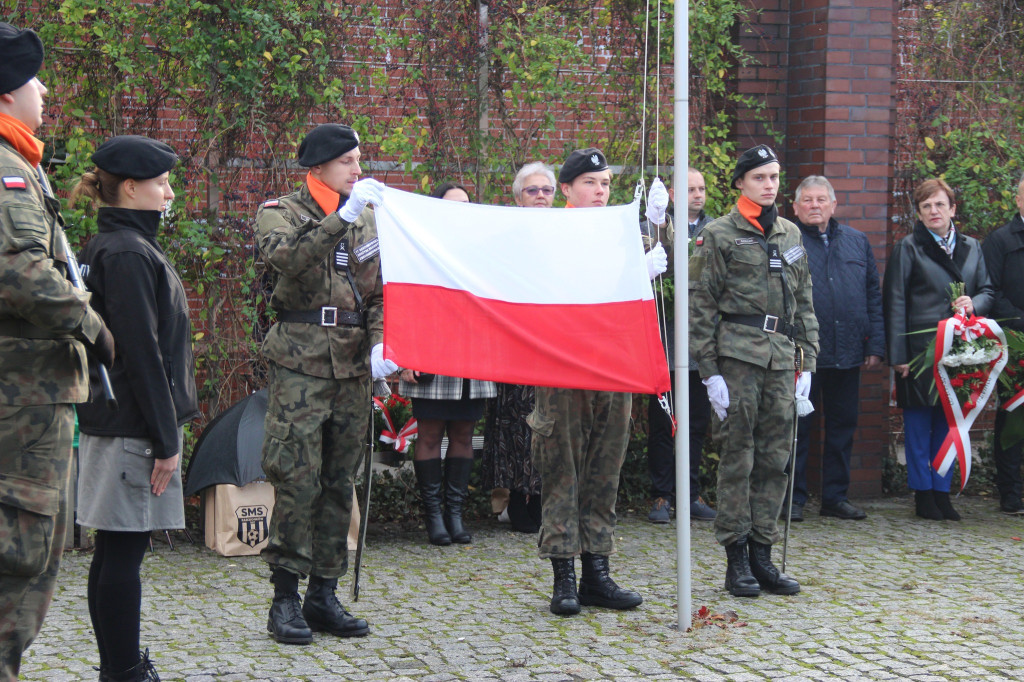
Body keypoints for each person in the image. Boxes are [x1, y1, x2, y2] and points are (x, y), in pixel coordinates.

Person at [0, 22, 114, 679]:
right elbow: (22, 272)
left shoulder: (23, 164)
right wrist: (91, 323)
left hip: (33, 390)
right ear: (9, 90)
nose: (44, 90)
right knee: (21, 548)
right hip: (23, 394)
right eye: (35, 78)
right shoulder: (8, 169)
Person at [255, 123, 394, 645]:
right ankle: (284, 598)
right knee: (297, 479)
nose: (358, 170)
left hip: (353, 366)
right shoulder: (280, 212)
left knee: (340, 482)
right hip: (302, 363)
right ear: (318, 168)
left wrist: (380, 345)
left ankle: (323, 594)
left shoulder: (368, 219)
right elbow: (289, 259)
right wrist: (343, 217)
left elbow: (379, 291)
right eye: (349, 162)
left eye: (359, 160)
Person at [73, 135, 199, 682]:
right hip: (133, 425)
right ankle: (123, 671)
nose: (169, 193)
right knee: (123, 554)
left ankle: (118, 667)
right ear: (130, 188)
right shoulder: (124, 250)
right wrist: (166, 440)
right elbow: (140, 351)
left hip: (124, 420)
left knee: (115, 551)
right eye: (162, 183)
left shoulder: (124, 244)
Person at [529, 147, 668, 616]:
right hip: (564, 370)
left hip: (613, 368)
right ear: (566, 189)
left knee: (605, 473)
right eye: (590, 183)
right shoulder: (546, 233)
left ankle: (597, 572)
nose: (600, 191)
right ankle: (564, 575)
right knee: (563, 472)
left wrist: (646, 262)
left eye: (606, 184)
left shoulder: (622, 235)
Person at [688, 144, 818, 598]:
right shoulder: (719, 235)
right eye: (759, 177)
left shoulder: (790, 234)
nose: (769, 185)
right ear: (740, 182)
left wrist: (809, 362)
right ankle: (737, 559)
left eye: (774, 177)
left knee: (774, 460)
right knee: (738, 459)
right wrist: (709, 370)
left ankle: (764, 556)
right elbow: (700, 304)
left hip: (782, 358)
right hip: (738, 358)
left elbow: (803, 301)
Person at [883, 177, 993, 521]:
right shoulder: (909, 247)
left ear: (952, 209)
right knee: (918, 424)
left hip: (960, 350)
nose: (933, 211)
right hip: (919, 351)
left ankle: (943, 492)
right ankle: (923, 492)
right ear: (918, 212)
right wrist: (898, 356)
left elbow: (989, 290)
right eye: (926, 206)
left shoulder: (973, 247)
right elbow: (895, 300)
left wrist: (972, 302)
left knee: (950, 423)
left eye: (939, 204)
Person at [399, 182, 497, 546]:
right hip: (430, 350)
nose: (460, 210)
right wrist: (405, 353)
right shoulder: (419, 248)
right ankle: (433, 517)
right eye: (452, 204)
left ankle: (455, 515)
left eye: (466, 205)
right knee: (429, 434)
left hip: (473, 353)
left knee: (463, 435)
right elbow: (405, 302)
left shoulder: (482, 250)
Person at [790, 176, 884, 522]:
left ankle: (835, 497)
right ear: (796, 207)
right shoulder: (789, 240)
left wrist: (875, 343)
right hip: (804, 355)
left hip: (848, 352)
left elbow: (873, 294)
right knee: (799, 428)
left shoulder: (857, 242)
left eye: (821, 200)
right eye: (808, 200)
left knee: (843, 427)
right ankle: (794, 500)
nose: (815, 206)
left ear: (834, 205)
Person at [480, 162, 551, 533]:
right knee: (516, 425)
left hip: (555, 347)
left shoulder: (569, 232)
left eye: (546, 190)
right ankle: (517, 497)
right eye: (532, 190)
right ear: (518, 197)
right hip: (514, 345)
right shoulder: (504, 237)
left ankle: (545, 498)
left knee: (550, 422)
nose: (540, 196)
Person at [646, 167, 717, 524]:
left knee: (697, 424)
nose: (698, 194)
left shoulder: (717, 230)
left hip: (701, 343)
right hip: (665, 340)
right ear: (673, 193)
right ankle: (661, 495)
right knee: (663, 423)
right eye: (690, 189)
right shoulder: (657, 225)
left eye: (702, 188)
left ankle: (690, 493)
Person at [982, 173, 1024, 515]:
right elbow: (991, 290)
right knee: (1013, 419)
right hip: (1015, 344)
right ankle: (1010, 493)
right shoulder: (1000, 240)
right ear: (1019, 201)